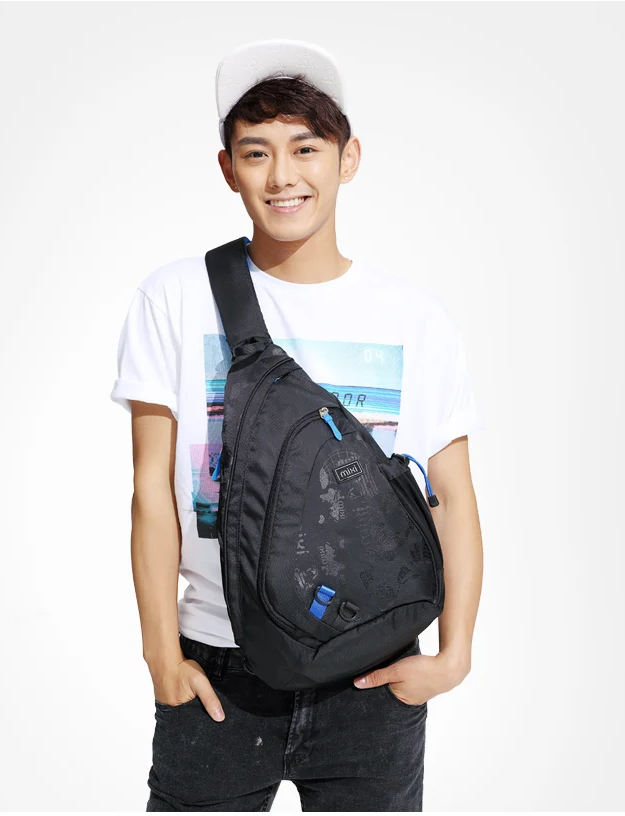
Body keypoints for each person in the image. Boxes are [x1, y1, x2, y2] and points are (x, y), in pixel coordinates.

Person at [110, 39, 486, 812]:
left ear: (349, 159)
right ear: (228, 169)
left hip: (372, 675)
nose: (282, 175)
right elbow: (151, 488)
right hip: (219, 670)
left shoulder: (416, 321)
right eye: (257, 153)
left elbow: (452, 496)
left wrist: (454, 656)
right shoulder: (175, 299)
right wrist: (160, 655)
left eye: (306, 148)